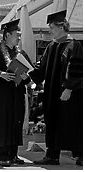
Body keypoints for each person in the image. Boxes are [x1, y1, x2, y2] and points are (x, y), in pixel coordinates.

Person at [29, 10, 83, 166]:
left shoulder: (74, 45)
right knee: (52, 121)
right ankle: (52, 155)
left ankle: (80, 155)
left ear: (61, 27)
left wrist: (69, 88)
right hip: (52, 92)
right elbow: (41, 69)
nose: (49, 31)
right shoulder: (51, 46)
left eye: (51, 27)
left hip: (70, 94)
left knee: (72, 123)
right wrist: (29, 74)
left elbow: (76, 69)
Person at [0, 19, 32, 167]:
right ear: (7, 35)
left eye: (20, 35)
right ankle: (4, 156)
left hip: (17, 95)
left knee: (16, 123)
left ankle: (14, 155)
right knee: (4, 124)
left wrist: (26, 77)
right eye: (17, 34)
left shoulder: (21, 54)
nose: (19, 37)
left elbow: (29, 74)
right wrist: (0, 74)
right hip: (2, 97)